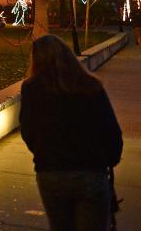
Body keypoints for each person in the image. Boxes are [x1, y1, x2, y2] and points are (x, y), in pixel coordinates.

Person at [20, 34, 123, 231]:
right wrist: (109, 160)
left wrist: (44, 153)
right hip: (91, 171)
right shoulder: (91, 85)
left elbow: (28, 130)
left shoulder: (31, 88)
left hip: (51, 171)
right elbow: (111, 130)